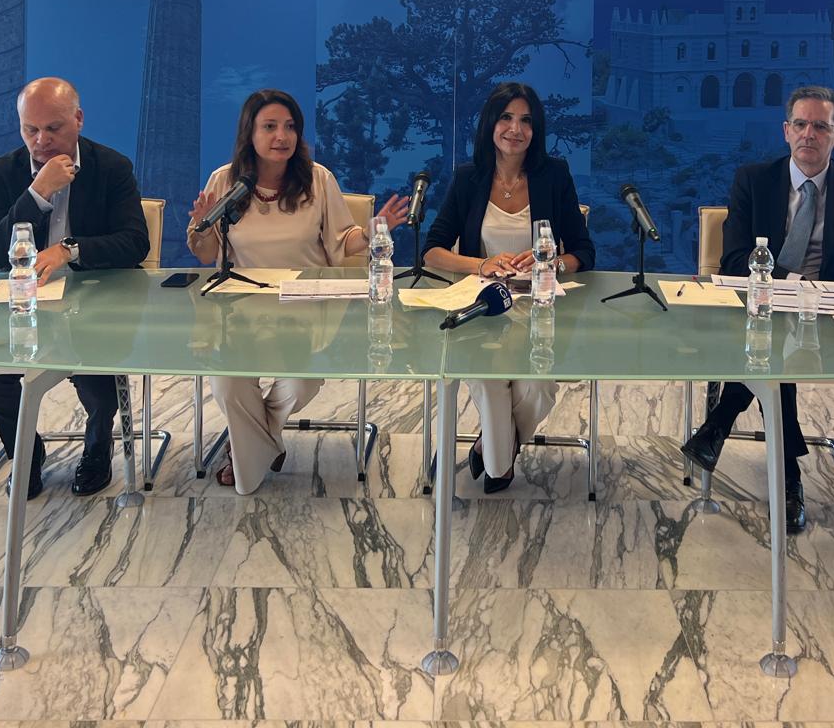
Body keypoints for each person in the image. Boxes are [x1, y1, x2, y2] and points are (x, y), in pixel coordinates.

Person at [187, 89, 408, 494]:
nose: (282, 136)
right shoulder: (225, 180)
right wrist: (202, 226)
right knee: (227, 384)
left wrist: (375, 230)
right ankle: (260, 449)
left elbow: (342, 240)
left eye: (290, 127)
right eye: (270, 127)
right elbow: (205, 254)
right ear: (249, 133)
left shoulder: (317, 178)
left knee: (302, 383)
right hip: (240, 309)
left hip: (306, 307)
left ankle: (249, 450)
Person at [680, 85, 834, 533]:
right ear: (786, 131)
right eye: (801, 125)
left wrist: (811, 295)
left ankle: (719, 424)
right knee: (774, 356)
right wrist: (792, 286)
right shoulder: (754, 180)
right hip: (754, 306)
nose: (809, 134)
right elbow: (735, 261)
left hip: (819, 313)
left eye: (821, 126)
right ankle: (789, 478)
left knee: (772, 352)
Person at [0, 77, 150, 499]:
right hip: (24, 305)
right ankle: (26, 452)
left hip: (94, 303)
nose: (41, 140)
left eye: (53, 128)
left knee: (100, 385)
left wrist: (70, 249)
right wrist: (38, 192)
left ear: (78, 119)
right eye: (30, 129)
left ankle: (98, 448)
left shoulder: (112, 167)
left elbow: (134, 242)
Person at [423, 82, 595, 493]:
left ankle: (492, 446)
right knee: (489, 381)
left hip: (541, 312)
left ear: (536, 130)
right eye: (506, 118)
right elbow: (431, 251)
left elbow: (584, 251)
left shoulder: (554, 175)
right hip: (484, 312)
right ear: (490, 124)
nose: (515, 129)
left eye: (525, 121)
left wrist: (552, 262)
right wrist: (481, 264)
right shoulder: (469, 177)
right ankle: (500, 461)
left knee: (538, 386)